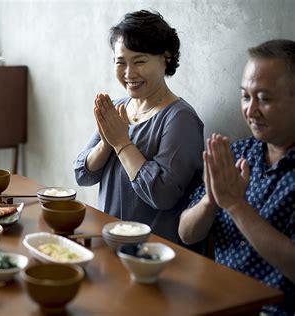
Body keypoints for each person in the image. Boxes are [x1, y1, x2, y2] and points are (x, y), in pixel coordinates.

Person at [178, 39, 295, 315]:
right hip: (214, 300)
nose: (250, 111)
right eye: (245, 96)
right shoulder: (236, 153)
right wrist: (211, 200)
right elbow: (186, 233)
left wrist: (235, 205)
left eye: (264, 99)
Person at [74, 10, 204, 244]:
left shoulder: (180, 118)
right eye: (120, 62)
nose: (129, 73)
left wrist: (122, 143)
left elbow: (163, 194)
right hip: (109, 241)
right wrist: (107, 142)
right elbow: (82, 174)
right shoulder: (117, 107)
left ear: (165, 57)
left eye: (140, 61)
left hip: (153, 254)